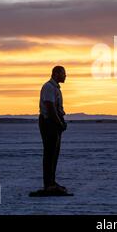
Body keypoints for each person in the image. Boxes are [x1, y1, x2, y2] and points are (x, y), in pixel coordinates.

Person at [39, 65, 68, 194]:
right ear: (56, 74)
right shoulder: (49, 87)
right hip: (48, 123)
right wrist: (59, 122)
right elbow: (50, 108)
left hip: (54, 123)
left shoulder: (55, 88)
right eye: (63, 73)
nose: (65, 76)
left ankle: (51, 182)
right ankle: (48, 184)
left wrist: (61, 121)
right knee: (50, 154)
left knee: (54, 154)